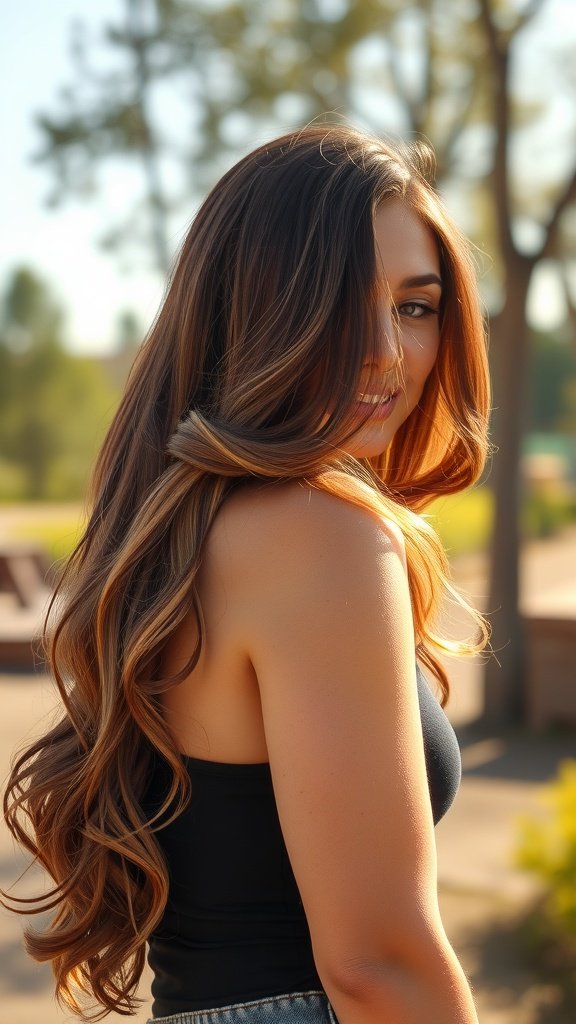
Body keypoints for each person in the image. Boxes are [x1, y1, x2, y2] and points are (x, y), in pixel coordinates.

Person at [3, 122, 489, 1024]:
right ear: (258, 309)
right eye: (344, 302)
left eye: (416, 307)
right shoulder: (321, 536)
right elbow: (378, 963)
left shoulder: (198, 524)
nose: (388, 350)